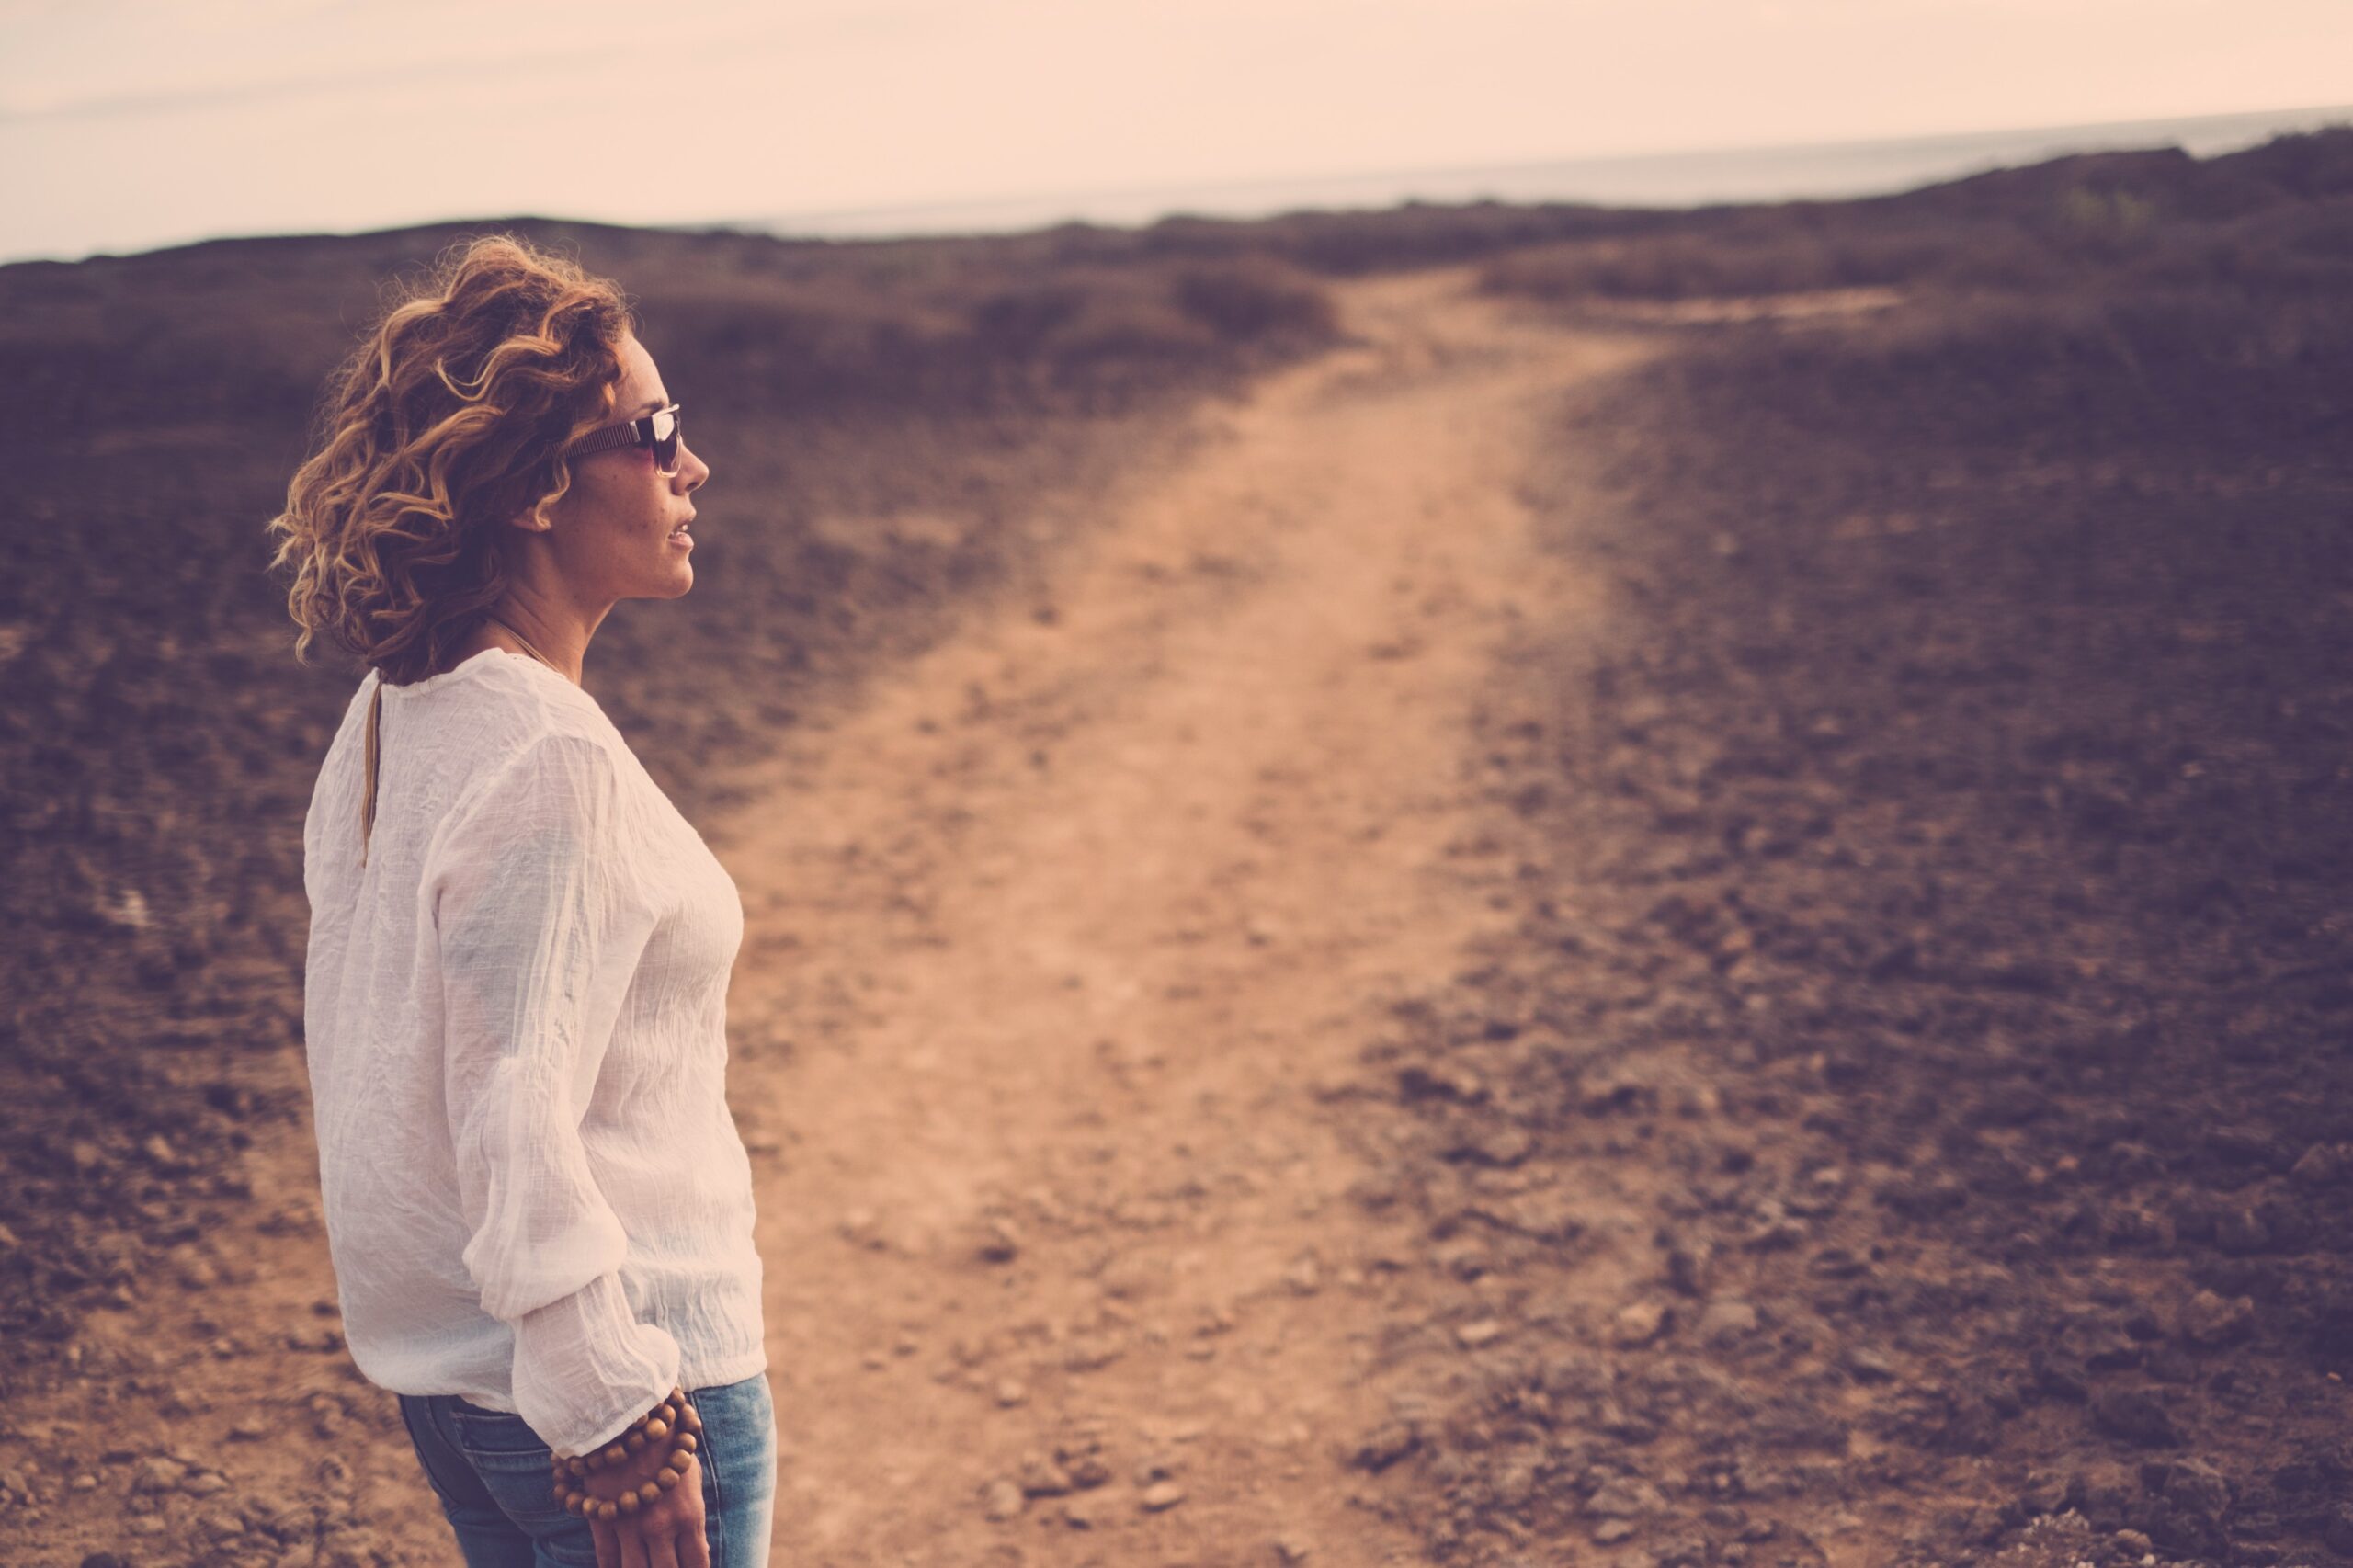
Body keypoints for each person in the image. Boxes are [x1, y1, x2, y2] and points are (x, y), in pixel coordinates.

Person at [266, 233, 773, 1568]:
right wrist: (610, 1408)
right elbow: (510, 1112)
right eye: (655, 431)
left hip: (464, 1389)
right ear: (540, 488)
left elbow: (420, 1079)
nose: (690, 465)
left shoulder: (389, 716)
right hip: (616, 1391)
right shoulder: (542, 755)